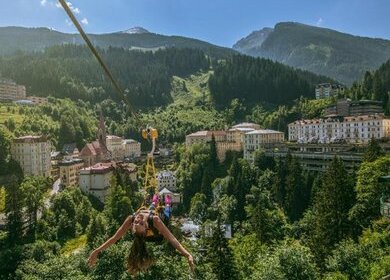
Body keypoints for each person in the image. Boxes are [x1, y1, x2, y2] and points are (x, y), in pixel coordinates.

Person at [87, 194, 194, 275]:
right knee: (166, 213)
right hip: (158, 235)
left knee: (151, 208)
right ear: (146, 226)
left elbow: (115, 238)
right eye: (141, 223)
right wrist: (187, 254)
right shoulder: (155, 221)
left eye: (136, 222)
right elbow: (172, 239)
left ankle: (155, 199)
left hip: (150, 217)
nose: (139, 219)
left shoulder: (131, 218)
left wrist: (97, 251)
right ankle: (167, 201)